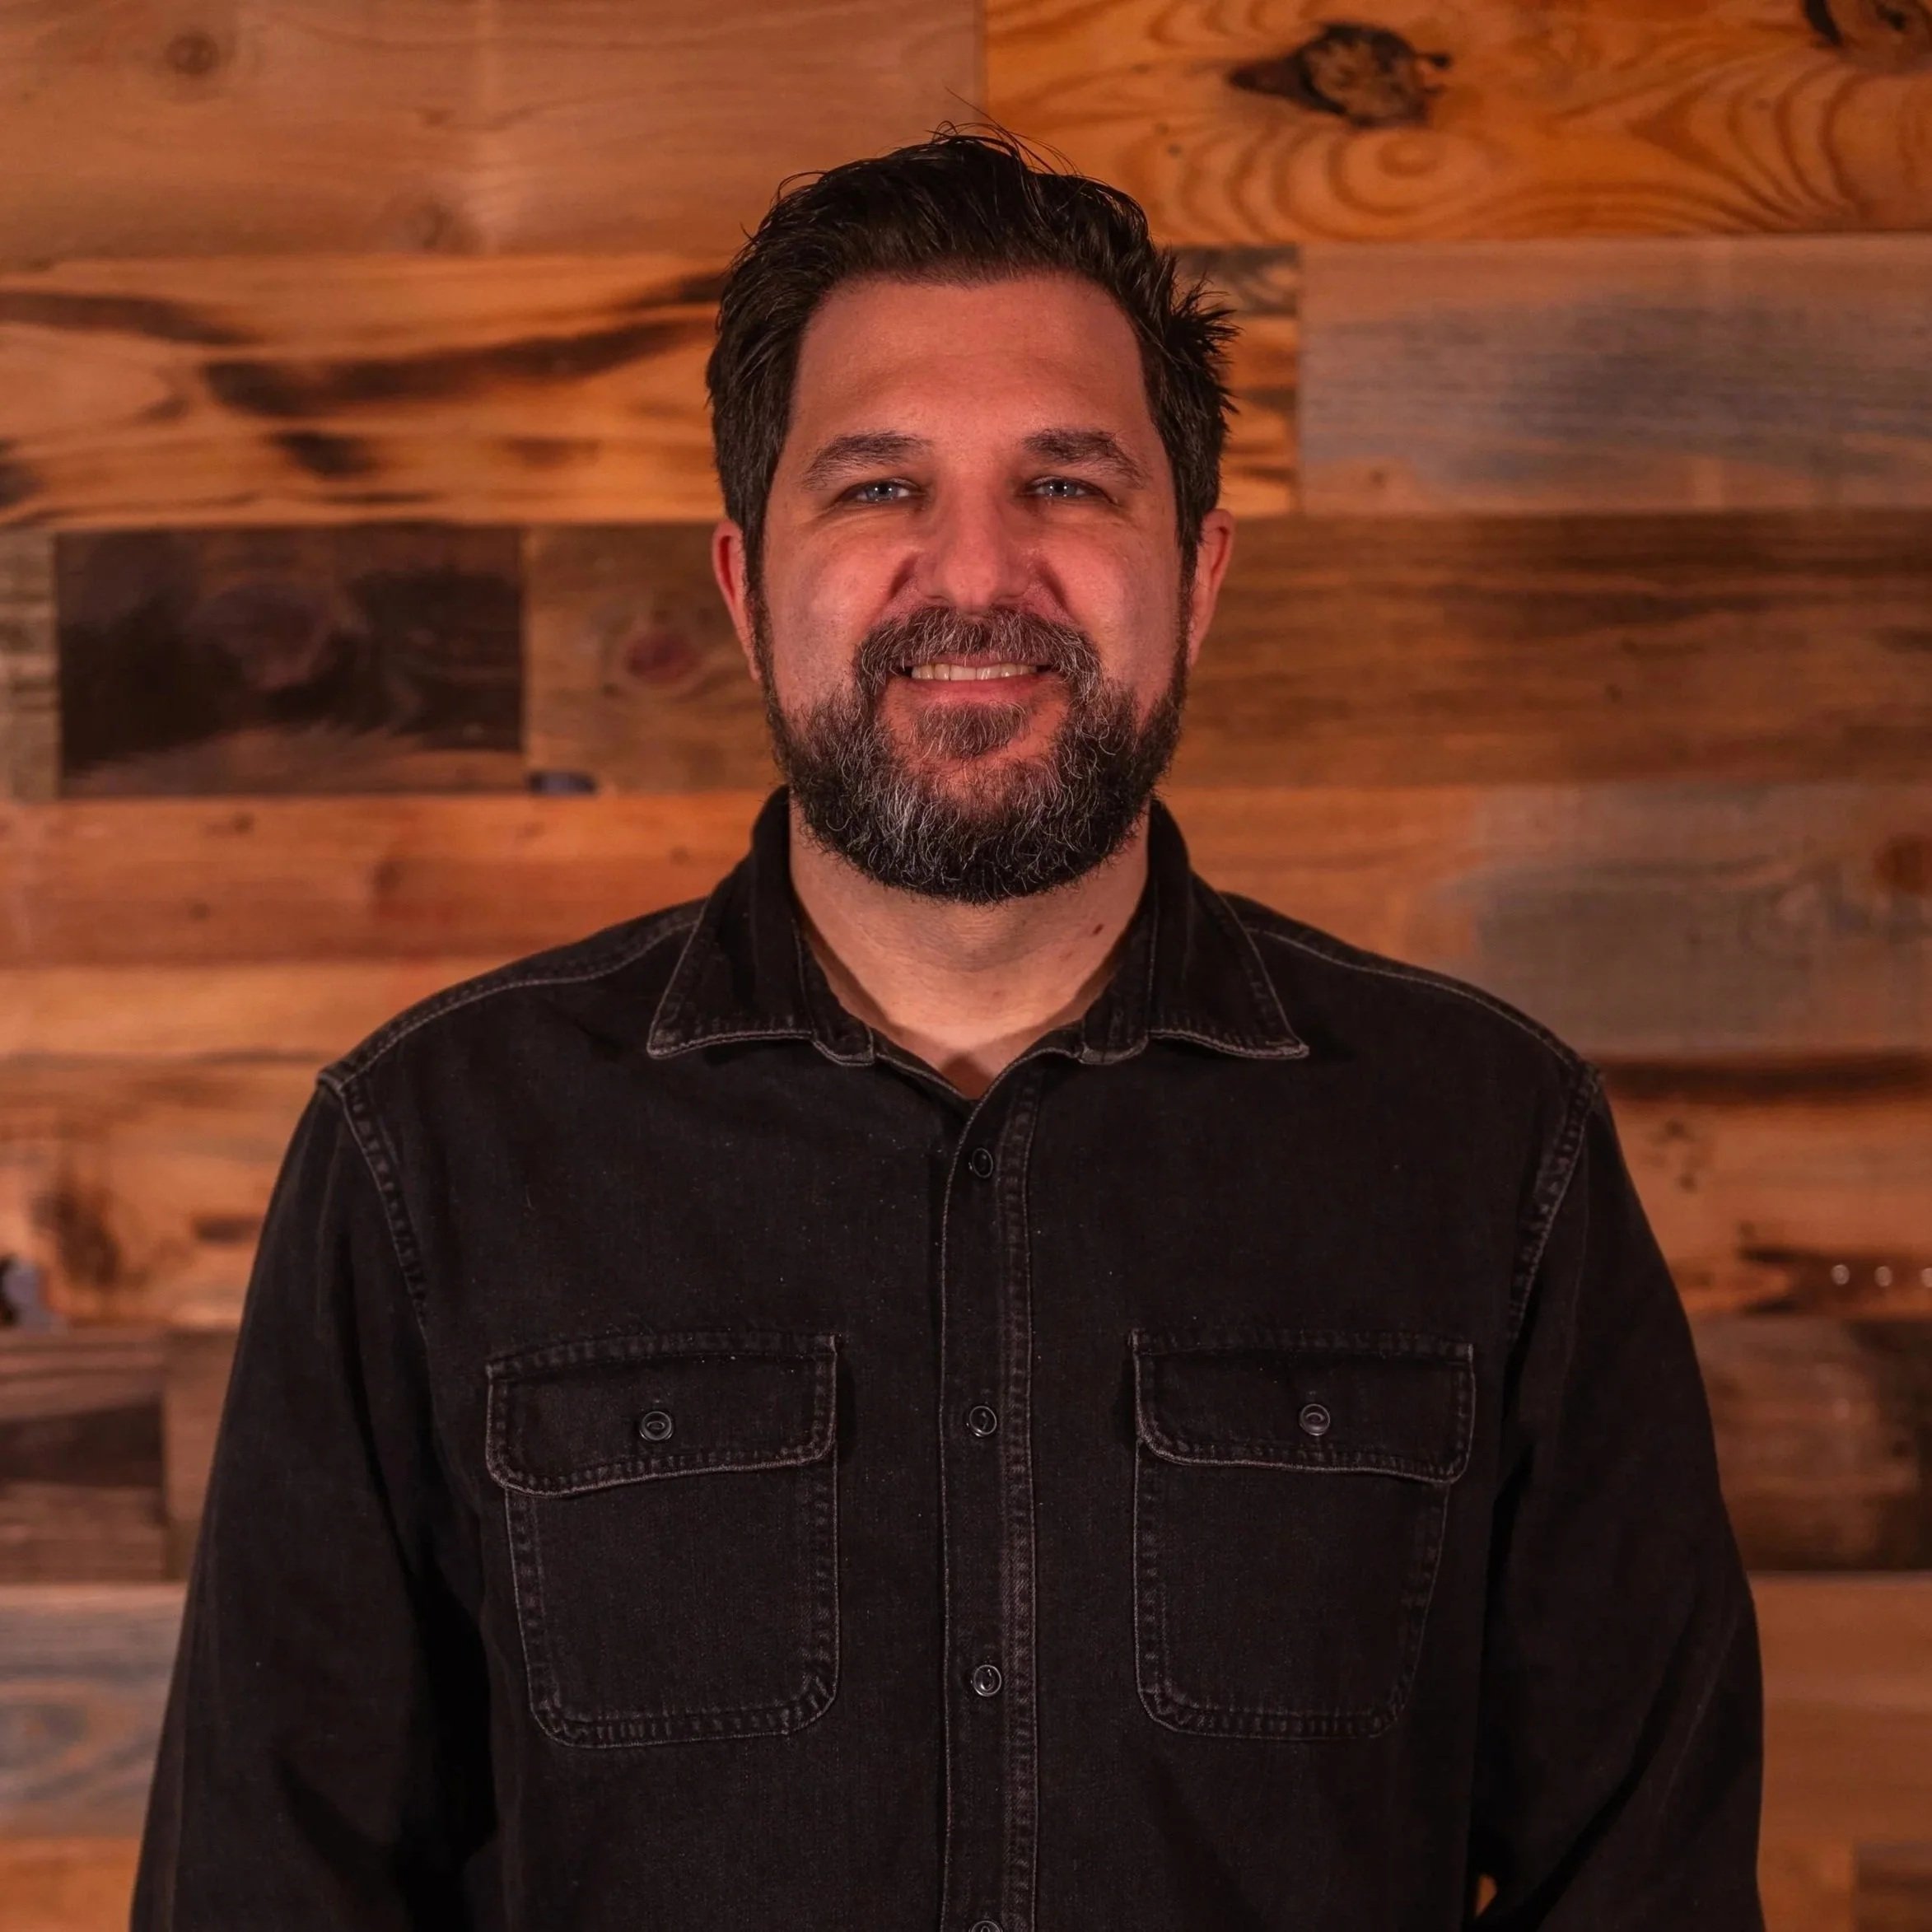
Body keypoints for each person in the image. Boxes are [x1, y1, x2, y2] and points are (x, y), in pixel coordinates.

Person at [133, 128, 1766, 1930]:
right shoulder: (429, 1155)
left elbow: (1650, 1888)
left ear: (1199, 572)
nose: (976, 575)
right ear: (750, 585)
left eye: (1067, 484)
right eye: (879, 488)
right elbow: (265, 1890)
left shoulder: (1489, 1149)